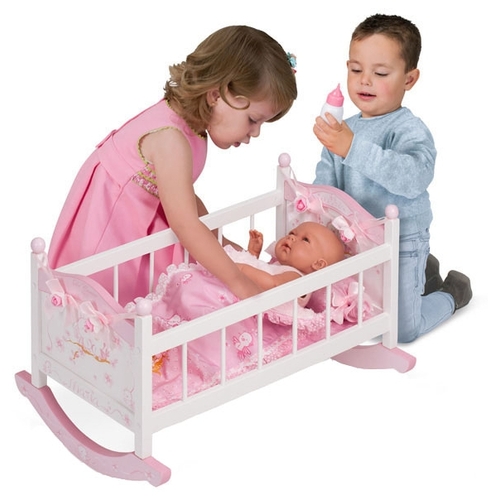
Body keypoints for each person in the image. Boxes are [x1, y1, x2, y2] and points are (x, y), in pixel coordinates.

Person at [48, 25, 298, 305]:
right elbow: (186, 224)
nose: (256, 133)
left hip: (138, 225)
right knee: (122, 307)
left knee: (203, 271)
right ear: (217, 95)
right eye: (253, 120)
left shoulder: (194, 127)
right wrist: (238, 281)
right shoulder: (171, 140)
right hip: (108, 240)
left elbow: (185, 198)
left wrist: (225, 246)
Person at [312, 14, 472, 343]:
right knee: (364, 307)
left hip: (403, 241)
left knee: (401, 329)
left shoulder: (408, 129)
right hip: (357, 241)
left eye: (380, 73)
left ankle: (451, 293)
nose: (365, 81)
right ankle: (424, 275)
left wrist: (351, 147)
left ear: (409, 79)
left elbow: (413, 178)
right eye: (356, 70)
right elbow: (326, 185)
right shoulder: (344, 129)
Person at [235, 222, 345, 291]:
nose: (291, 237)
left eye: (305, 239)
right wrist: (253, 254)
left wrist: (241, 269)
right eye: (292, 233)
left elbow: (272, 284)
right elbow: (260, 273)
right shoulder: (278, 265)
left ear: (318, 264)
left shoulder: (296, 277)